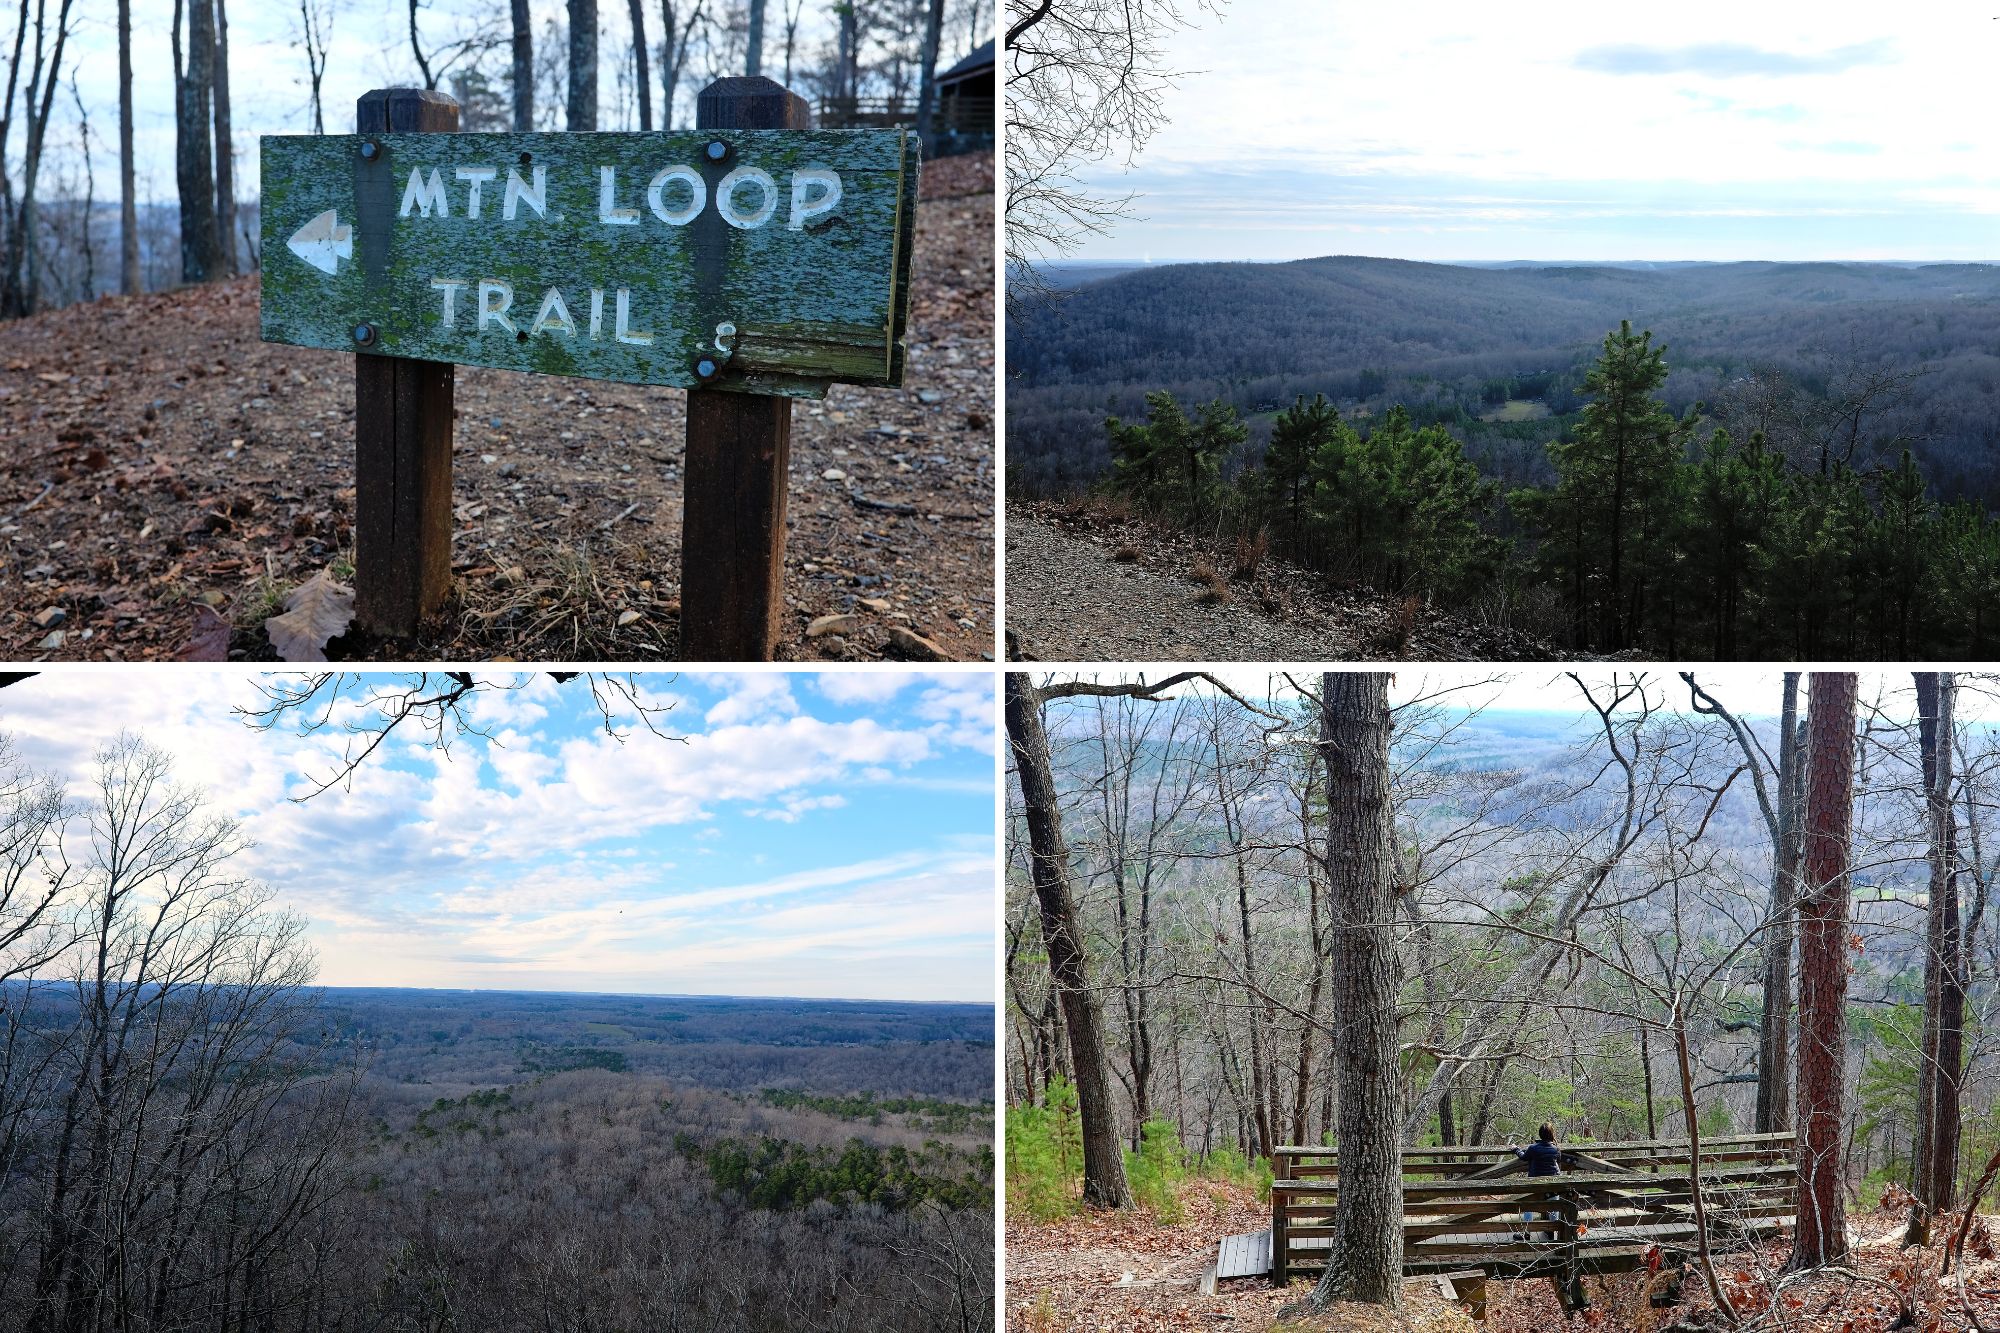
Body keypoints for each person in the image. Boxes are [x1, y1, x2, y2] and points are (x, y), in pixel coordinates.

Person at [1514, 1122, 1562, 1241]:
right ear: (1551, 1134)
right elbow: (1558, 1160)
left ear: (1540, 1134)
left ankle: (1526, 1232)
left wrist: (1516, 1149)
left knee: (1528, 1206)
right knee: (1553, 1206)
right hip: (1552, 1184)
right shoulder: (1556, 1149)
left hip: (1535, 1185)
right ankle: (1551, 1231)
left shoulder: (1533, 1148)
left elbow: (1524, 1157)